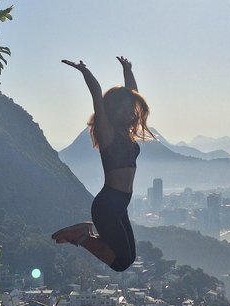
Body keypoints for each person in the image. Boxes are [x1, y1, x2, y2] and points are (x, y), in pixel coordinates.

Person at [52, 56, 155, 272]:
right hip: (107, 205)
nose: (128, 111)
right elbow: (97, 96)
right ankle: (81, 236)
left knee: (130, 256)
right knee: (120, 263)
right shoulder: (106, 132)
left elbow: (133, 94)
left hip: (120, 205)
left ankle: (83, 233)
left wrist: (128, 69)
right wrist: (85, 71)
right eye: (123, 107)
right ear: (112, 109)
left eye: (130, 107)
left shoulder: (126, 133)